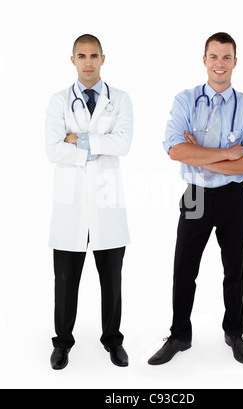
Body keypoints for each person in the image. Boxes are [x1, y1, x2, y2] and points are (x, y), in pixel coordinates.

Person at [148, 32, 243, 366]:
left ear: (235, 62)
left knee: (234, 270)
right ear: (204, 60)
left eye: (226, 57)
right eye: (214, 57)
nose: (220, 64)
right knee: (184, 269)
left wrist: (200, 156)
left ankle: (234, 332)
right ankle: (179, 336)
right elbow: (175, 150)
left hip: (233, 198)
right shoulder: (185, 101)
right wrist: (230, 153)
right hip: (196, 195)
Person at [45, 34, 133, 370]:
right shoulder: (58, 101)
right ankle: (62, 344)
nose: (88, 62)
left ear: (103, 58)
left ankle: (113, 341)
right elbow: (53, 150)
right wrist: (98, 146)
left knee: (112, 281)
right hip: (70, 209)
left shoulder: (120, 100)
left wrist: (77, 140)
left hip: (108, 205)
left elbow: (123, 144)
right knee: (65, 282)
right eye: (81, 56)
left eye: (94, 55)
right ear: (73, 60)